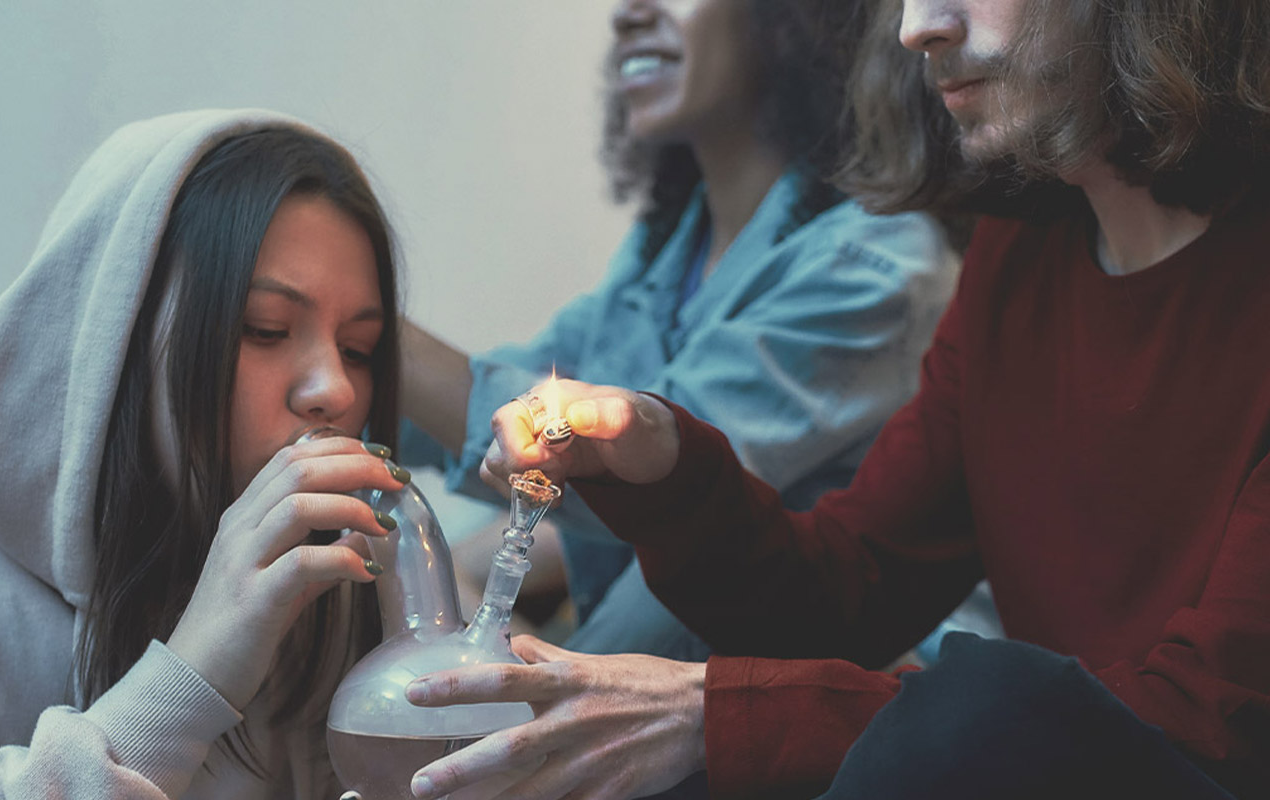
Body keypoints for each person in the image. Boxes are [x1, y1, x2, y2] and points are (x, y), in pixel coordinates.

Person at [400, 0, 1270, 797]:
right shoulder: (1018, 257)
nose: (916, 27)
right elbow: (845, 594)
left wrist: (713, 714)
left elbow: (1199, 722)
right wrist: (665, 465)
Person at [0, 109, 413, 798]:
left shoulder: (350, 590)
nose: (335, 390)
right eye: (266, 329)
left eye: (358, 350)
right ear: (119, 332)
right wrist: (189, 681)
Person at [399, 0, 959, 659]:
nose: (627, 13)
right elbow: (506, 389)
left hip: (859, 720)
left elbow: (660, 478)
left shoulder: (879, 266)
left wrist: (362, 320)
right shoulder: (666, 251)